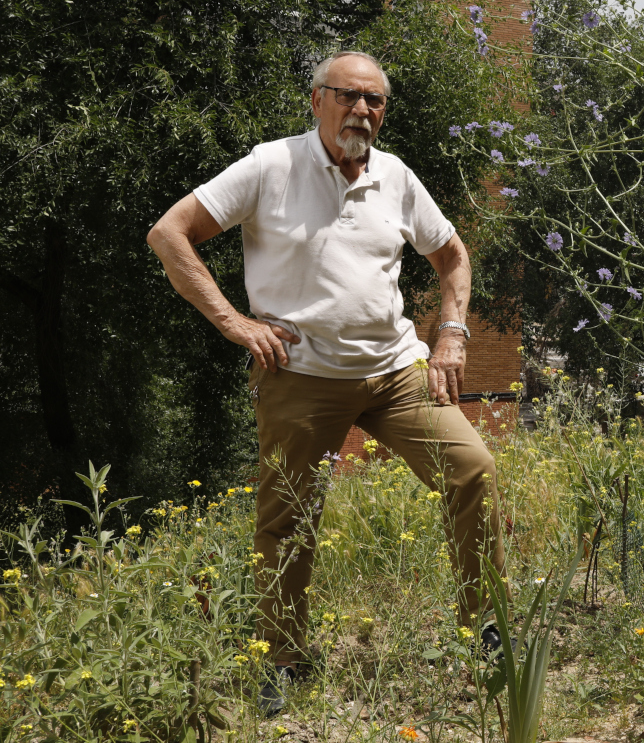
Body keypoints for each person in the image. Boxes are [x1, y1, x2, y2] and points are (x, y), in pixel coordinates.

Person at [147, 51, 505, 716]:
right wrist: (235, 323)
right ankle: (281, 660)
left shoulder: (396, 177)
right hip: (300, 375)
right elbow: (170, 234)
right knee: (286, 519)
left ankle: (485, 626)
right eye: (347, 96)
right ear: (317, 100)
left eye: (374, 101)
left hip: (395, 372)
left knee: (472, 468)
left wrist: (451, 332)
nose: (361, 110)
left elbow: (452, 254)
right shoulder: (270, 166)